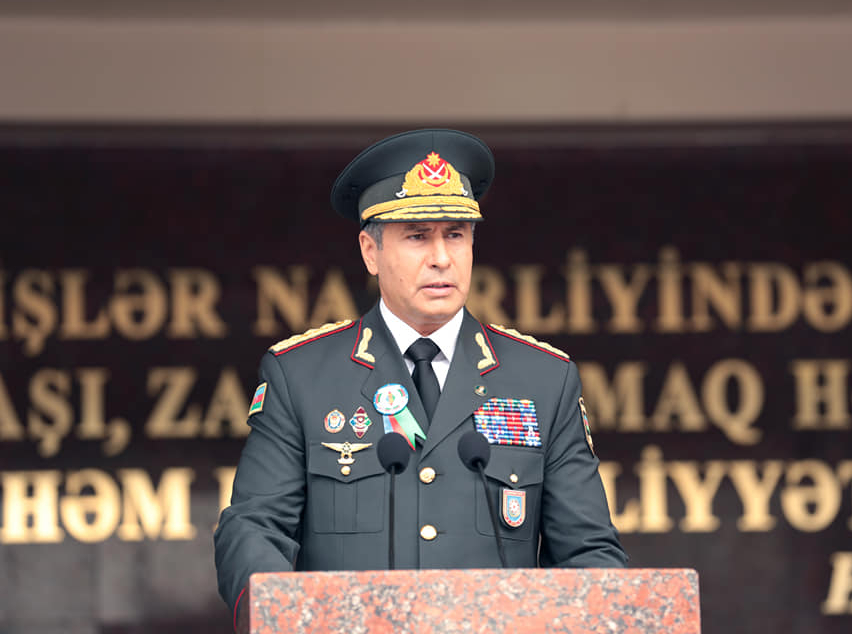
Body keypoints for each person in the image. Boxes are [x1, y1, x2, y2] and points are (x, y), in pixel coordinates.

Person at [214, 128, 626, 629]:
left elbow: (589, 554)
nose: (441, 258)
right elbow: (253, 529)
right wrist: (290, 620)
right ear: (370, 251)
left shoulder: (543, 380)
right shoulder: (300, 376)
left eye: (456, 234)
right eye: (417, 235)